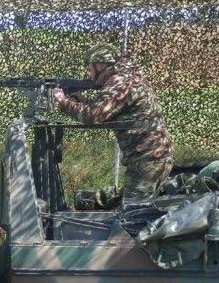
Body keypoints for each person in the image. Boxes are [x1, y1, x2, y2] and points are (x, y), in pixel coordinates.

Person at [52, 43, 174, 202]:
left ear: (101, 65)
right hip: (154, 157)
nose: (90, 75)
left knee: (133, 211)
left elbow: (94, 116)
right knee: (142, 208)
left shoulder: (120, 82)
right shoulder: (129, 78)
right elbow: (107, 111)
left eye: (90, 69)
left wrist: (63, 102)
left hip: (148, 159)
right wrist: (81, 101)